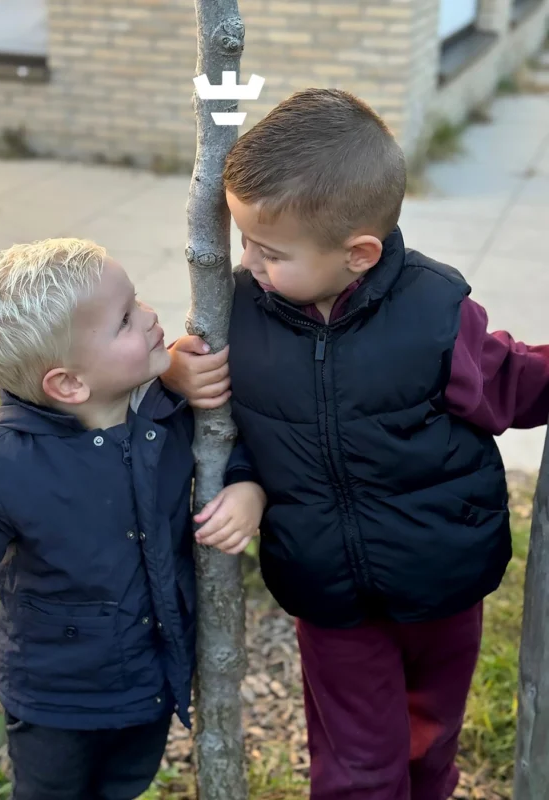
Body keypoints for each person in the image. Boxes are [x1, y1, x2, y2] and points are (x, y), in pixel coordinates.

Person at [162, 89, 549, 800]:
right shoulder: (242, 314)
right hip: (330, 594)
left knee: (430, 742)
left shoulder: (434, 313)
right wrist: (174, 376)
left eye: (268, 251)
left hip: (443, 580)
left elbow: (512, 384)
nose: (244, 262)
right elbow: (240, 427)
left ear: (359, 253)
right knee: (357, 767)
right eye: (244, 240)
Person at [0, 238, 266, 800]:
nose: (149, 316)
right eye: (124, 320)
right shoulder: (5, 466)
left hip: (152, 676)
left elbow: (228, 447)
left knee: (127, 784)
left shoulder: (164, 417)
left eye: (136, 300)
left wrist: (246, 486)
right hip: (57, 699)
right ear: (68, 383)